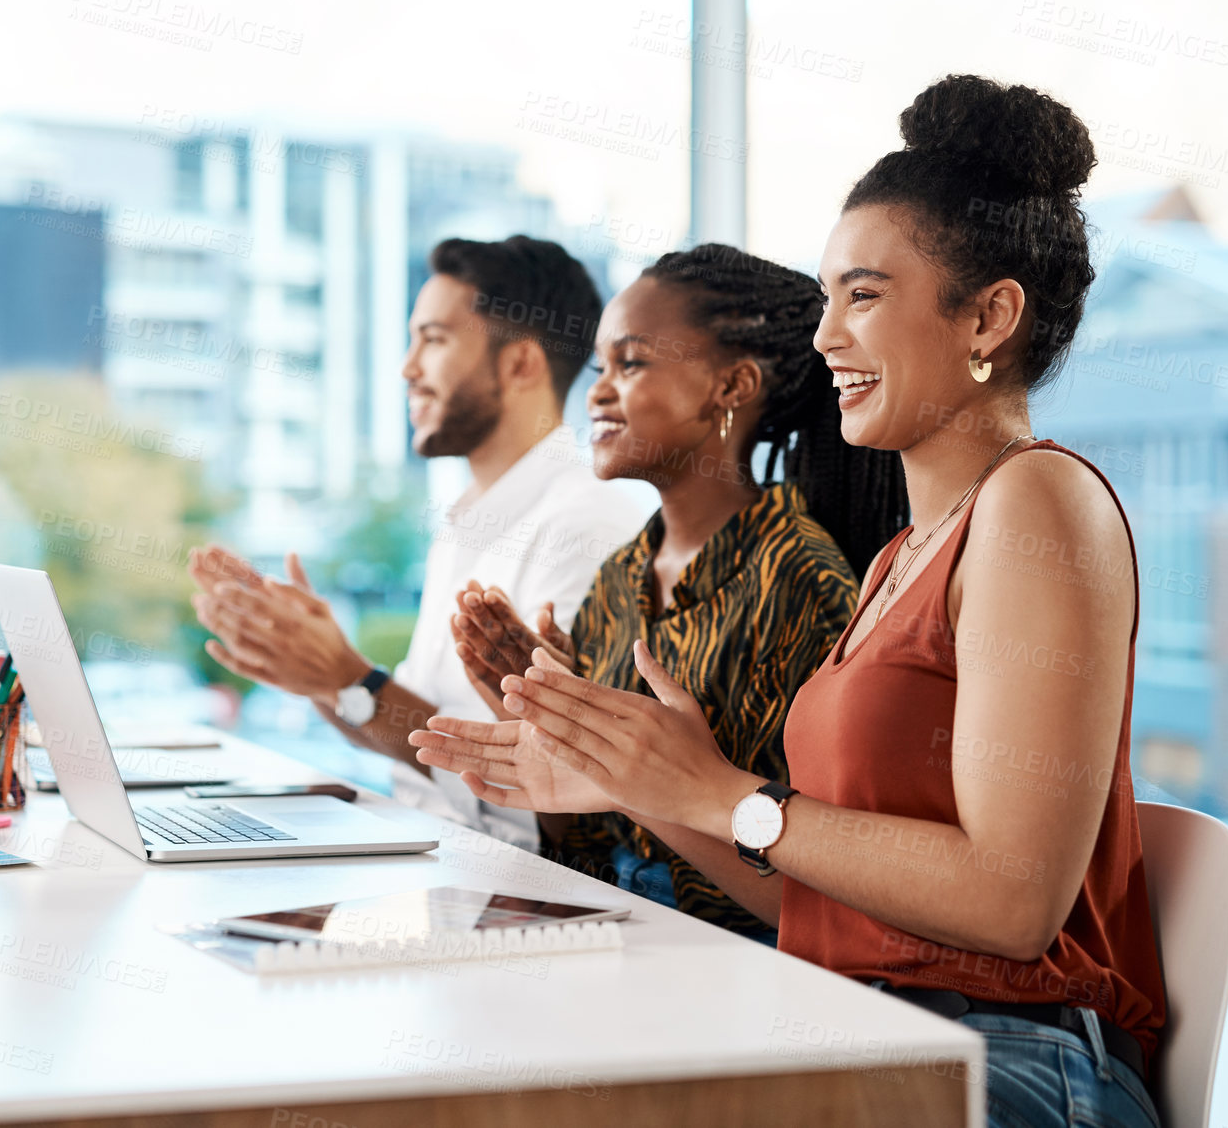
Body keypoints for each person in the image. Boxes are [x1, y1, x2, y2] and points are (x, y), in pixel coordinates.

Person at [415, 75, 1166, 1128]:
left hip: (1004, 1064)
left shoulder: (1039, 503)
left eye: (863, 295)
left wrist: (726, 795)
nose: (824, 338)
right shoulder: (900, 559)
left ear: (990, 314)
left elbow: (1012, 899)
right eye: (825, 299)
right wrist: (642, 784)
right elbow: (816, 902)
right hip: (856, 1020)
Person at [443, 243, 907, 943]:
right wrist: (556, 735)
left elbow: (817, 897)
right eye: (599, 367)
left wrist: (636, 777)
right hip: (612, 931)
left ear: (731, 386)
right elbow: (587, 842)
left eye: (630, 363)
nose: (597, 390)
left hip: (735, 957)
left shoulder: (802, 582)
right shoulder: (619, 577)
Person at [189, 235, 647, 851]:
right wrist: (315, 672)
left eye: (432, 339)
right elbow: (409, 733)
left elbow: (549, 784)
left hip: (514, 882)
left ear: (520, 365)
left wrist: (350, 678)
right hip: (437, 852)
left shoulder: (586, 525)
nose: (408, 368)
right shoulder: (466, 522)